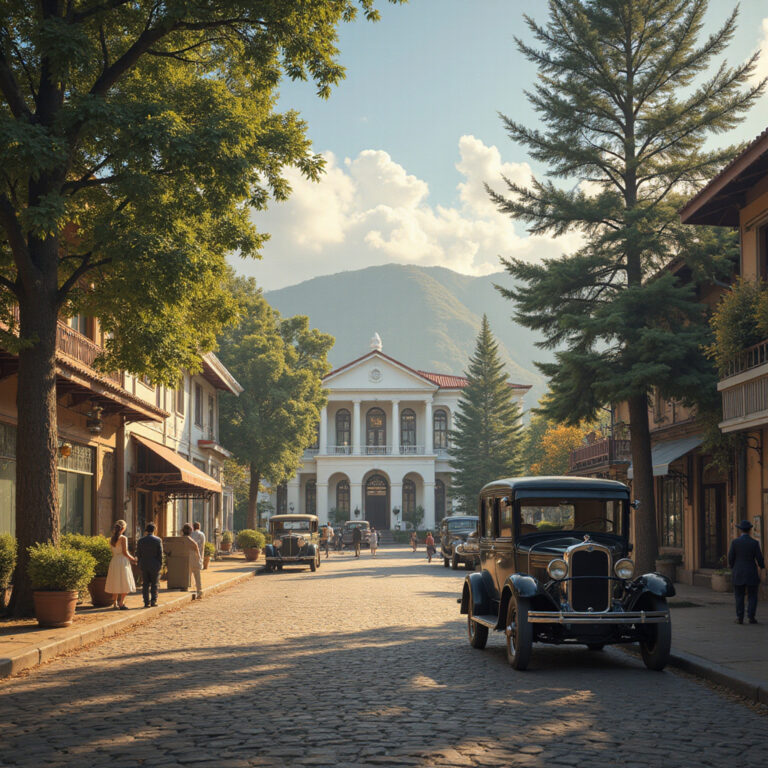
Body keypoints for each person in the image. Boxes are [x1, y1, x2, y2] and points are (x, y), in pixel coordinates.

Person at [728, 519, 765, 624]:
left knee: (739, 595)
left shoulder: (735, 542)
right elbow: (760, 559)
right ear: (749, 530)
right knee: (753, 595)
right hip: (751, 572)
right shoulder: (754, 543)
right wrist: (762, 567)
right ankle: (751, 616)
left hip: (738, 572)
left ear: (740, 531)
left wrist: (733, 567)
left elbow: (731, 558)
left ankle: (740, 617)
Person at [105, 519, 137, 610]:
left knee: (115, 581)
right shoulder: (123, 538)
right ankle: (121, 602)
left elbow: (113, 551)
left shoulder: (112, 538)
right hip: (122, 561)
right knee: (125, 582)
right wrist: (133, 559)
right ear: (123, 528)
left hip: (114, 561)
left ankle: (114, 603)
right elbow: (125, 552)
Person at [136, 523, 163, 608]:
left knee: (145, 584)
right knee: (154, 583)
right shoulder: (158, 540)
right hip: (155, 564)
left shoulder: (140, 540)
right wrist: (160, 564)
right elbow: (160, 554)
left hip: (144, 564)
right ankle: (153, 601)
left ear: (146, 530)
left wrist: (140, 563)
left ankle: (146, 602)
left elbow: (138, 553)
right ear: (154, 530)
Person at [182, 523, 204, 599]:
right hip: (194, 559)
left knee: (187, 576)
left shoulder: (181, 539)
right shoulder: (191, 540)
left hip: (185, 559)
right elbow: (197, 549)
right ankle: (199, 591)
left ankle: (186, 588)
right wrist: (200, 559)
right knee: (197, 576)